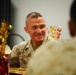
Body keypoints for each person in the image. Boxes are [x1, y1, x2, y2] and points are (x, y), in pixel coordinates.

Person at [26, 0, 76, 75]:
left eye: (42, 27)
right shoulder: (17, 49)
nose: (39, 31)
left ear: (70, 27)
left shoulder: (51, 51)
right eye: (34, 27)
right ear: (26, 30)